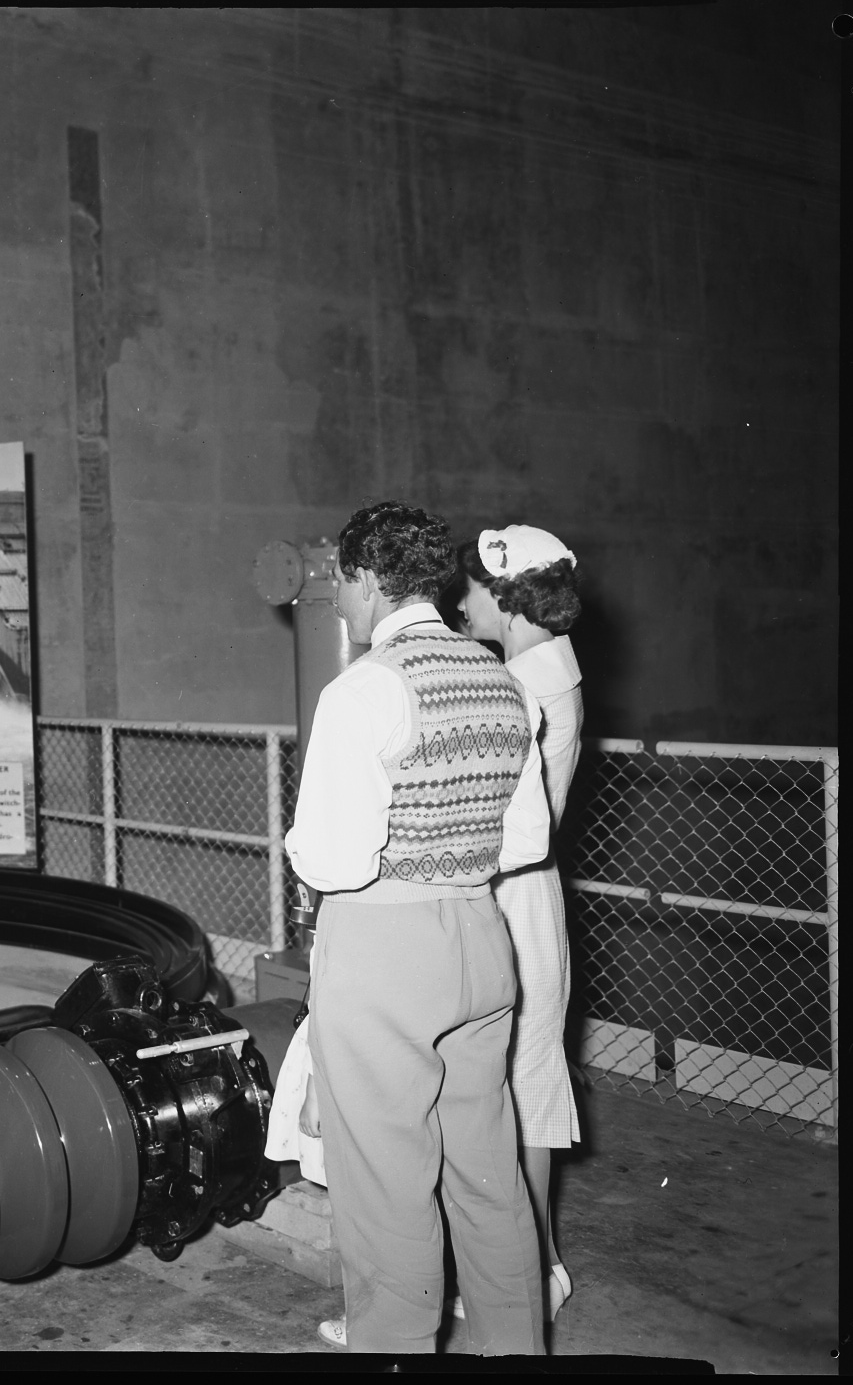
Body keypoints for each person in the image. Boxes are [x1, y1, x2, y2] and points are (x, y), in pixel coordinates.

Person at [284, 500, 551, 1356]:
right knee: (489, 1174)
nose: (339, 601)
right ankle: (516, 1348)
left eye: (342, 584)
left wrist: (298, 840)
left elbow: (333, 861)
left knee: (386, 1191)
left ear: (365, 580)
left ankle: (395, 1349)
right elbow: (527, 841)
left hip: (383, 951)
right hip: (480, 936)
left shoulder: (364, 688)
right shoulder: (506, 683)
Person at [457, 525, 584, 1324]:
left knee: (513, 1089)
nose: (461, 601)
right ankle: (534, 1267)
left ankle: (528, 1273)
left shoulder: (520, 685)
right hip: (532, 893)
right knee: (526, 1083)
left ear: (506, 596)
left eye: (472, 588)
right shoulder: (554, 668)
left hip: (508, 891)